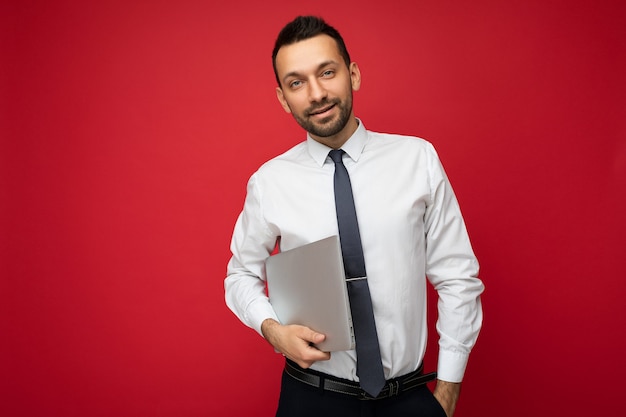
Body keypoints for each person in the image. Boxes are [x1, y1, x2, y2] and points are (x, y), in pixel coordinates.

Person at [225, 15, 484, 417]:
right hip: (310, 398)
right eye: (296, 83)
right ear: (282, 98)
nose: (316, 93)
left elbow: (457, 277)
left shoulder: (418, 160)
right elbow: (240, 274)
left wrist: (447, 391)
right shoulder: (269, 182)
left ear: (353, 73)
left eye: (327, 72)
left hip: (408, 399)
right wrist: (273, 330)